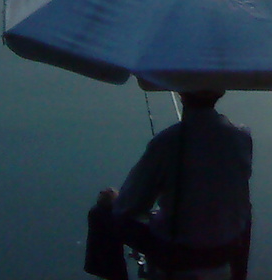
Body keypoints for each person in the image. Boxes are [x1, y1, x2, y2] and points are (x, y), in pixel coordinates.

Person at [85, 89, 254, 280]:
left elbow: (129, 206)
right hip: (225, 249)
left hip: (177, 253)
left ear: (181, 92)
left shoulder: (167, 141)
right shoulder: (242, 137)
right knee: (245, 210)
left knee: (101, 215)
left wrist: (113, 199)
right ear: (221, 92)